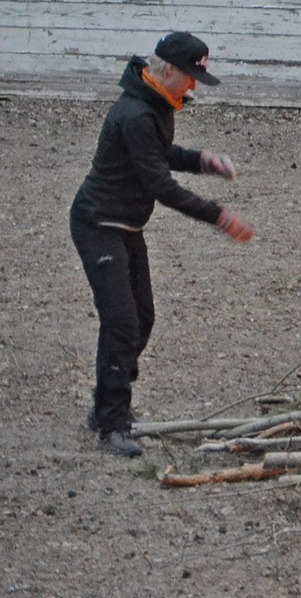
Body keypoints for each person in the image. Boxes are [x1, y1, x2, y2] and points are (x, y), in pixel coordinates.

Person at [71, 32, 255, 456]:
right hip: (98, 224)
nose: (192, 86)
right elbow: (159, 183)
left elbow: (161, 154)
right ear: (168, 70)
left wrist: (203, 160)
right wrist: (220, 217)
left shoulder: (155, 104)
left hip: (126, 226)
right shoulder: (135, 113)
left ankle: (106, 404)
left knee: (143, 318)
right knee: (121, 323)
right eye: (189, 78)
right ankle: (112, 423)